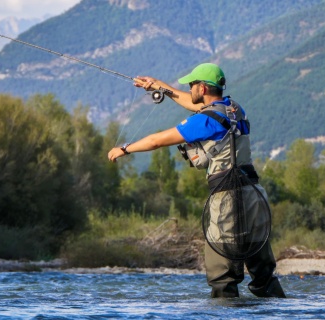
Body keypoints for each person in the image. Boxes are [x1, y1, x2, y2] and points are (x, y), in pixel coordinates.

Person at [108, 63, 286, 298]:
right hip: (254, 194)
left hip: (227, 200)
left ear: (202, 88)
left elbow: (157, 140)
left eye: (192, 85)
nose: (189, 89)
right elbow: (190, 101)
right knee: (263, 274)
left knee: (223, 277)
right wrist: (158, 85)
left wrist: (125, 149)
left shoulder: (204, 121)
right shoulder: (234, 109)